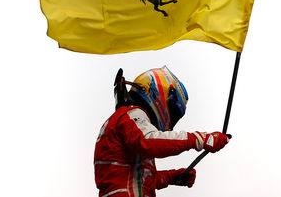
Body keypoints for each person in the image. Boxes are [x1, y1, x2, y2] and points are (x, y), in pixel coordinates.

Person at [94, 67, 229, 197]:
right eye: (173, 111)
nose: (171, 120)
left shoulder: (126, 119)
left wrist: (171, 177)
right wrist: (199, 139)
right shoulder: (131, 114)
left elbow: (136, 178)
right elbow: (147, 142)